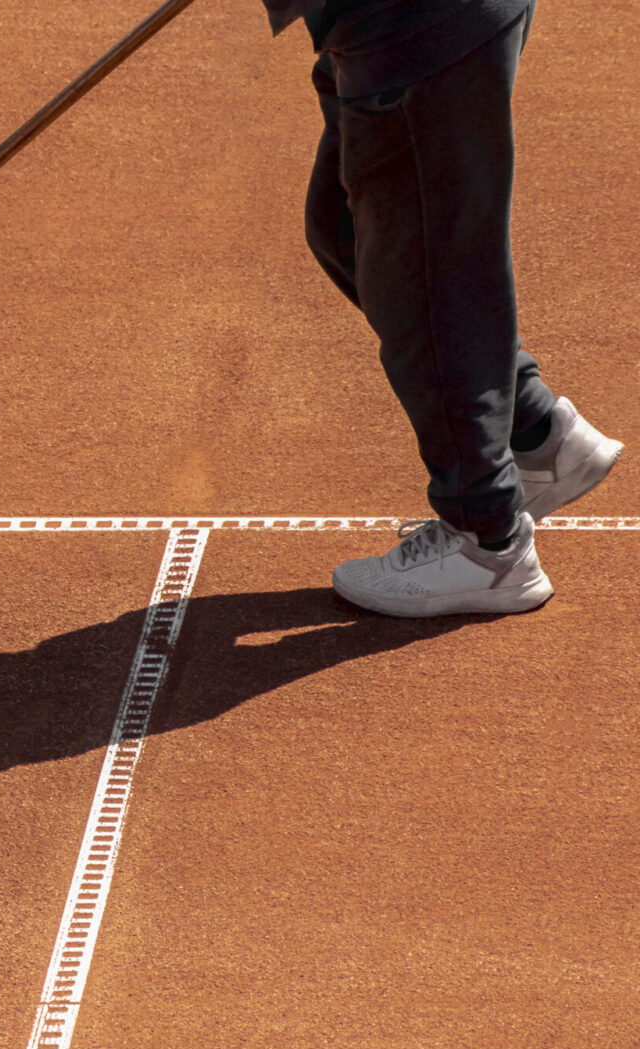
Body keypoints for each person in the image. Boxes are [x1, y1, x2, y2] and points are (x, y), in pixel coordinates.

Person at [266, 0, 623, 616]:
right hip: (387, 25)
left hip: (414, 23)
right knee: (347, 228)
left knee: (425, 271)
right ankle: (535, 432)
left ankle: (488, 543)